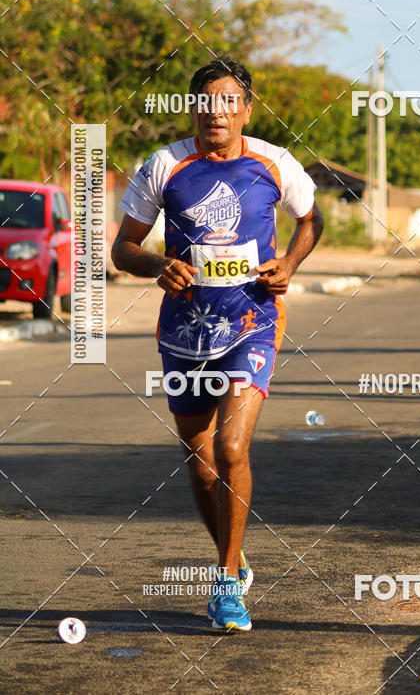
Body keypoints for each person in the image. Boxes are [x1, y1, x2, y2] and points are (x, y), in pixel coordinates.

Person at [112, 55, 323, 631]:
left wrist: (290, 264)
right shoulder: (165, 166)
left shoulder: (274, 162)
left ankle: (226, 584)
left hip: (254, 321)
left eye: (230, 100)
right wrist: (158, 264)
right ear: (192, 108)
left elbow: (311, 219)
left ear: (246, 109)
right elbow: (123, 248)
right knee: (202, 462)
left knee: (232, 449)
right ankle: (232, 552)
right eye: (206, 101)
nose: (217, 112)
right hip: (186, 330)